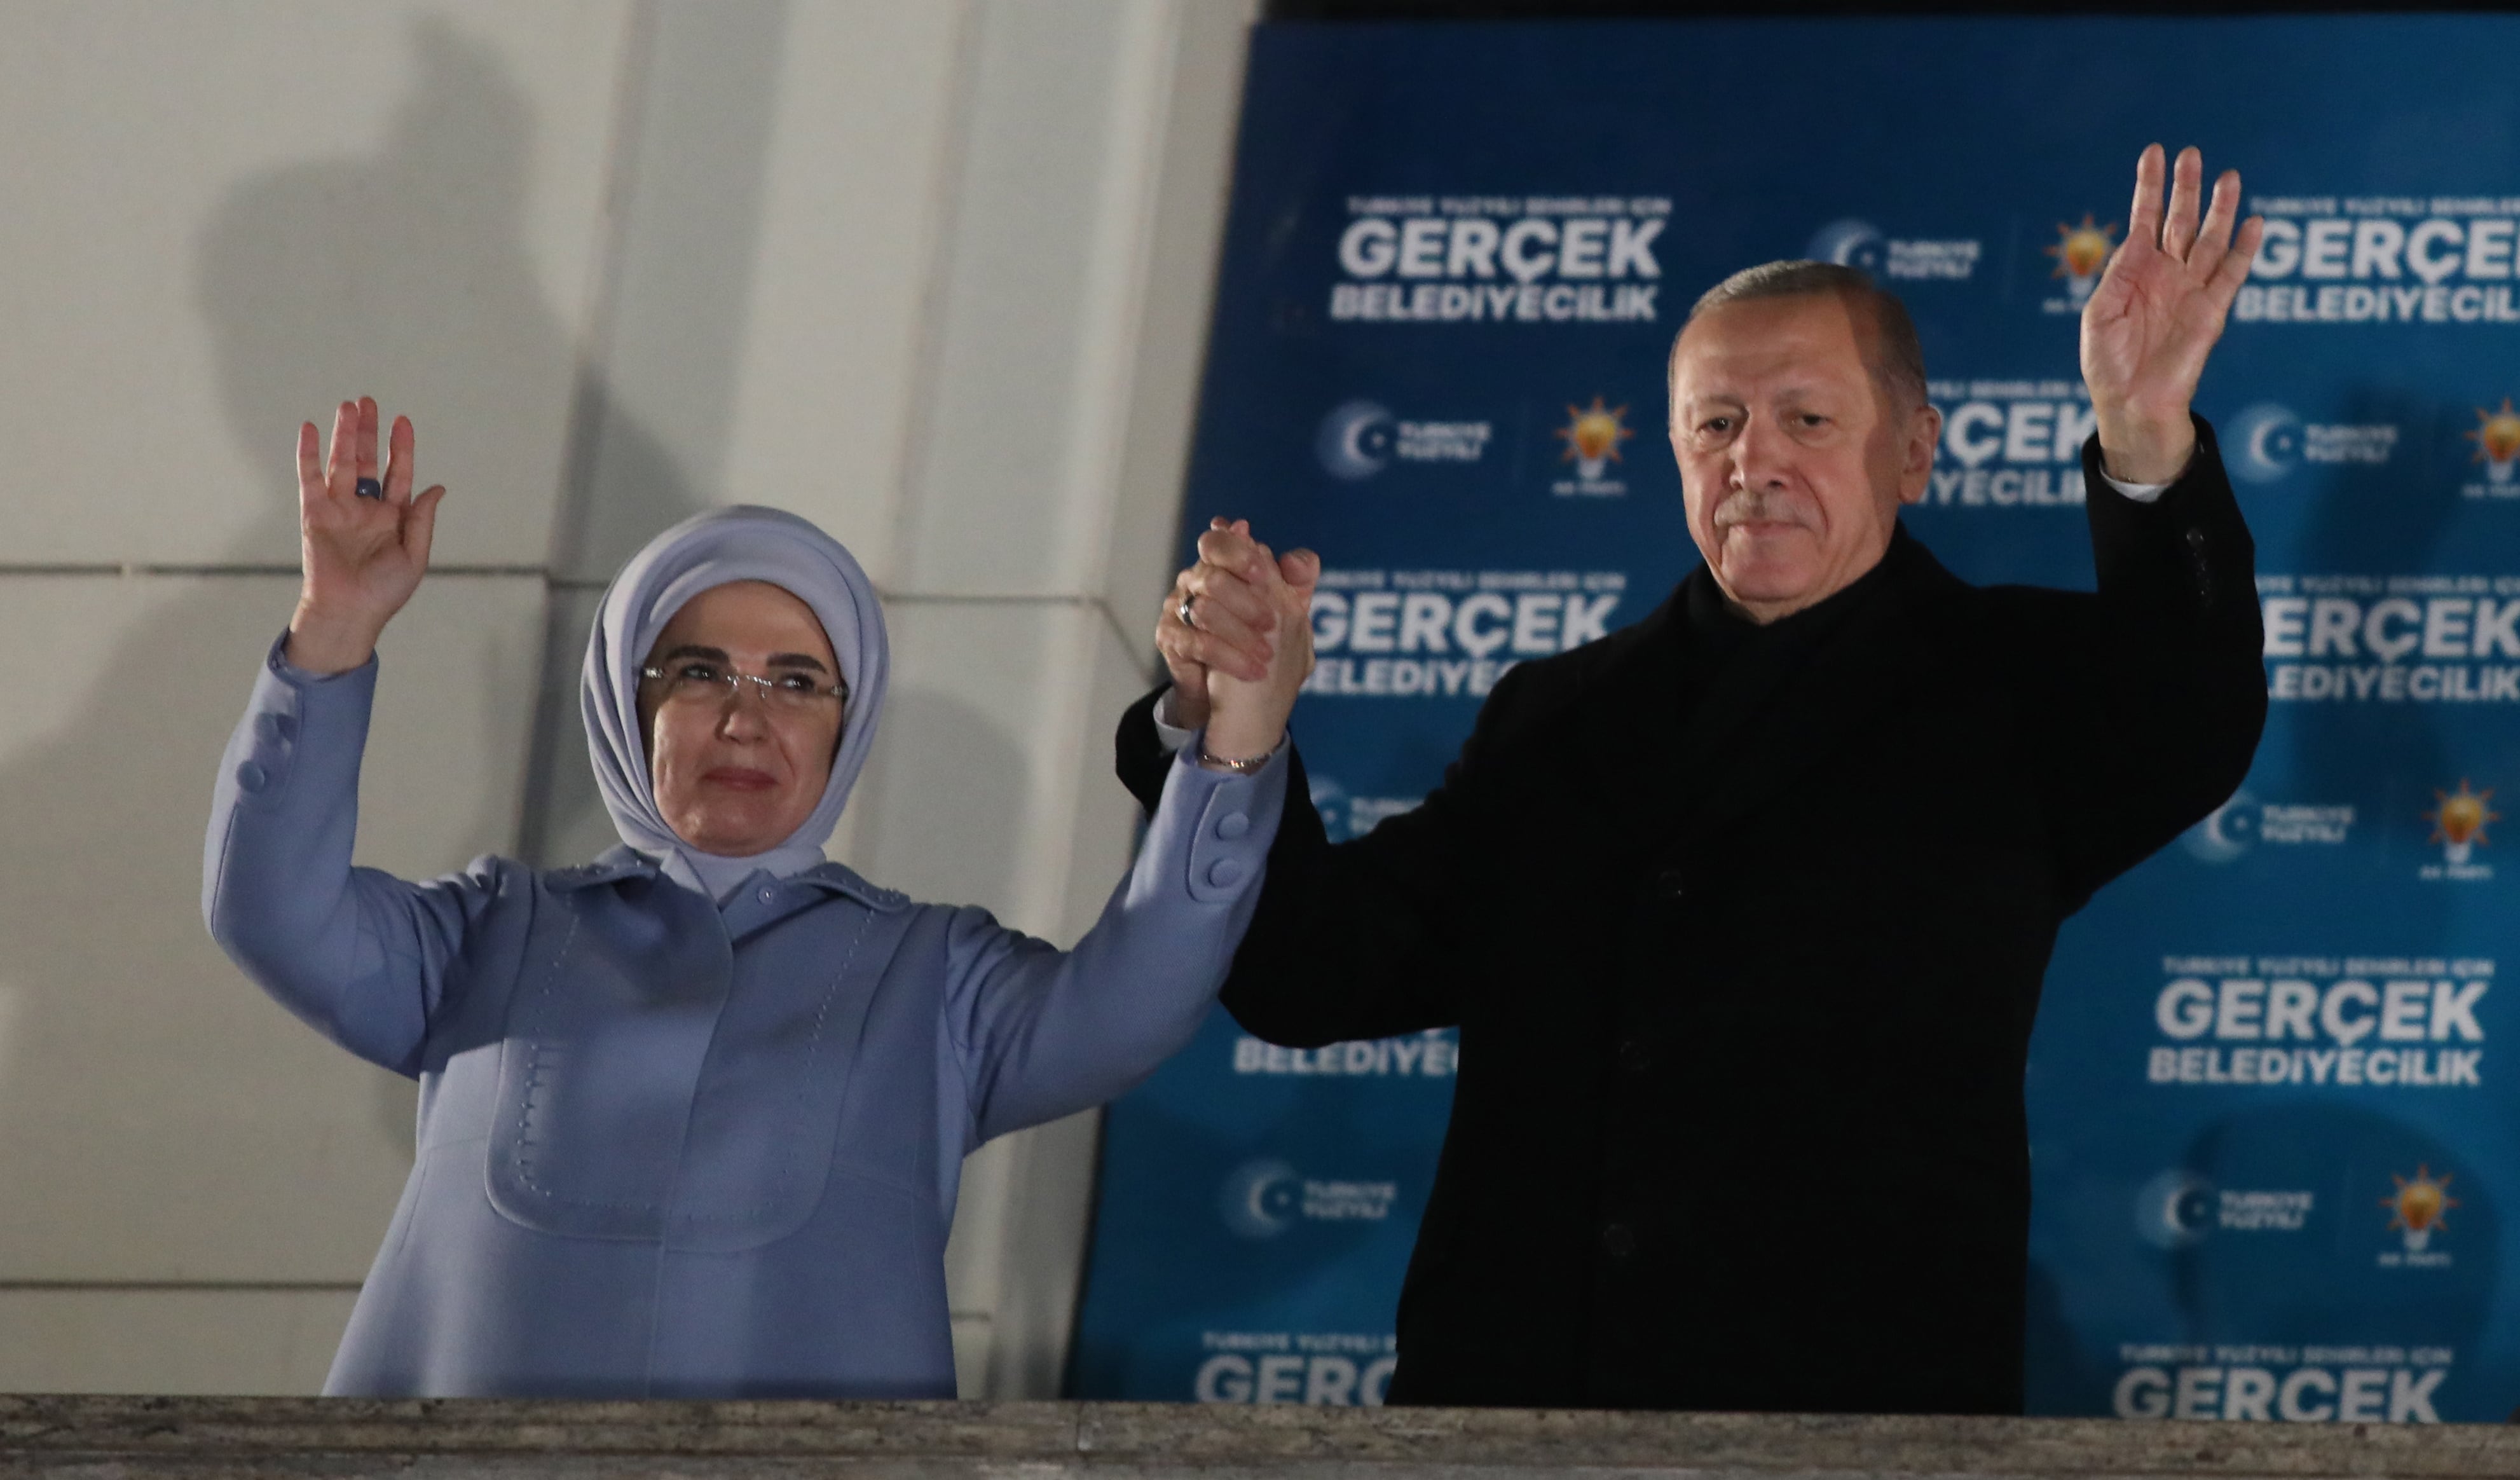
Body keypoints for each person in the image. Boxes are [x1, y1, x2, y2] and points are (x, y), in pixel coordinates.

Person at [1120, 145, 2269, 1413]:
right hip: (1519, 1407)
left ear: (1913, 451)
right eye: (1714, 424)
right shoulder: (1553, 716)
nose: (1751, 461)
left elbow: (2189, 716)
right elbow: (1312, 973)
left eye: (1806, 420)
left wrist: (2143, 432)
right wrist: (1229, 728)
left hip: (1849, 1415)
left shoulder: (2010, 682)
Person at [203, 399, 1309, 1397]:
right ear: (625, 706)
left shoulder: (939, 978)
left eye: (795, 682)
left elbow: (1137, 1000)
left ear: (849, 721)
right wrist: (334, 629)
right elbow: (272, 912)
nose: (746, 718)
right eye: (697, 672)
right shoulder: (491, 930)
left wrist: (1237, 741)